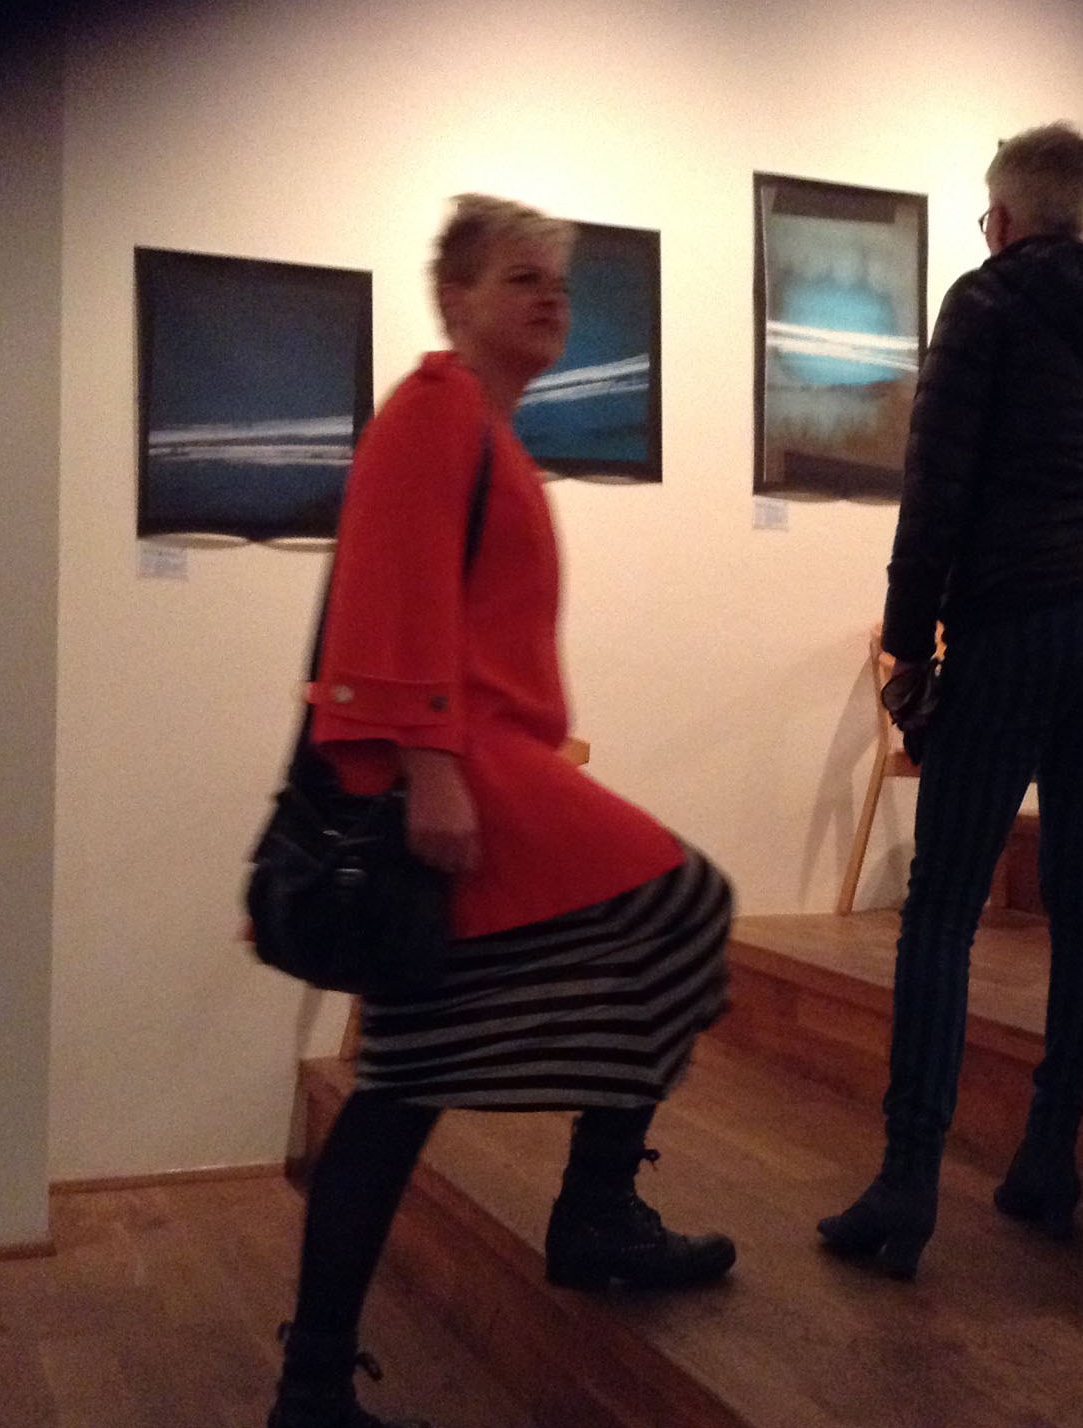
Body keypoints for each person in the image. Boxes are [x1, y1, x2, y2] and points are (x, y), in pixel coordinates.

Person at [267, 196, 735, 1428]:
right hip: (461, 770)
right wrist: (429, 765)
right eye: (521, 278)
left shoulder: (485, 429)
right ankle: (592, 1214)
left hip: (486, 763)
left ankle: (322, 1379)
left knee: (404, 1085)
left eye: (559, 284)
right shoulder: (434, 411)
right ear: (455, 298)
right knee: (683, 907)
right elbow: (392, 591)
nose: (550, 299)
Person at [817, 123, 1083, 1278]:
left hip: (1017, 623)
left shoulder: (984, 305)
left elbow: (934, 490)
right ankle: (1048, 1158)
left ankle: (907, 1179)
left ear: (1002, 218)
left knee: (942, 904)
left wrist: (907, 645)